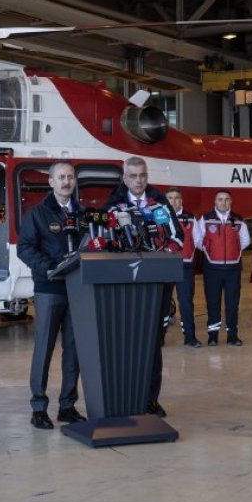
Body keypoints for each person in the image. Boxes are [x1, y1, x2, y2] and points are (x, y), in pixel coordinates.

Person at [105, 155, 182, 417]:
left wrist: (161, 256)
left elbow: (176, 237)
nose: (139, 181)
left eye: (143, 176)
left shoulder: (159, 202)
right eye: (134, 176)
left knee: (153, 343)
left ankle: (151, 399)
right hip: (124, 286)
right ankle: (124, 398)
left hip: (156, 284)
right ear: (125, 178)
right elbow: (106, 240)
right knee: (124, 342)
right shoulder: (114, 204)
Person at [16, 161, 84, 430]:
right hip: (49, 289)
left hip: (77, 290)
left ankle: (67, 405)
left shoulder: (82, 214)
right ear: (51, 182)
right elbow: (25, 248)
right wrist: (49, 268)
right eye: (61, 177)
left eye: (70, 177)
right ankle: (39, 407)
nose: (66, 181)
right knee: (44, 348)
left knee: (74, 350)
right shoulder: (38, 214)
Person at [193, 189, 251, 347]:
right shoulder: (205, 219)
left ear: (231, 202)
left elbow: (245, 241)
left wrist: (233, 253)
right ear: (215, 202)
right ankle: (212, 336)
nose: (223, 202)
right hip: (212, 269)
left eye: (226, 199)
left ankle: (232, 336)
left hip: (233, 270)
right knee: (213, 303)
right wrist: (211, 251)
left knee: (232, 303)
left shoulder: (238, 220)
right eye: (220, 199)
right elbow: (198, 240)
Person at [165, 188, 202, 347]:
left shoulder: (191, 218)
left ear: (182, 201)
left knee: (186, 303)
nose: (173, 201)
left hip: (185, 266)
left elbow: (199, 241)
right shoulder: (158, 217)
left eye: (177, 198)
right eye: (170, 198)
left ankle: (190, 337)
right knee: (161, 304)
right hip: (163, 266)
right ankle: (159, 338)